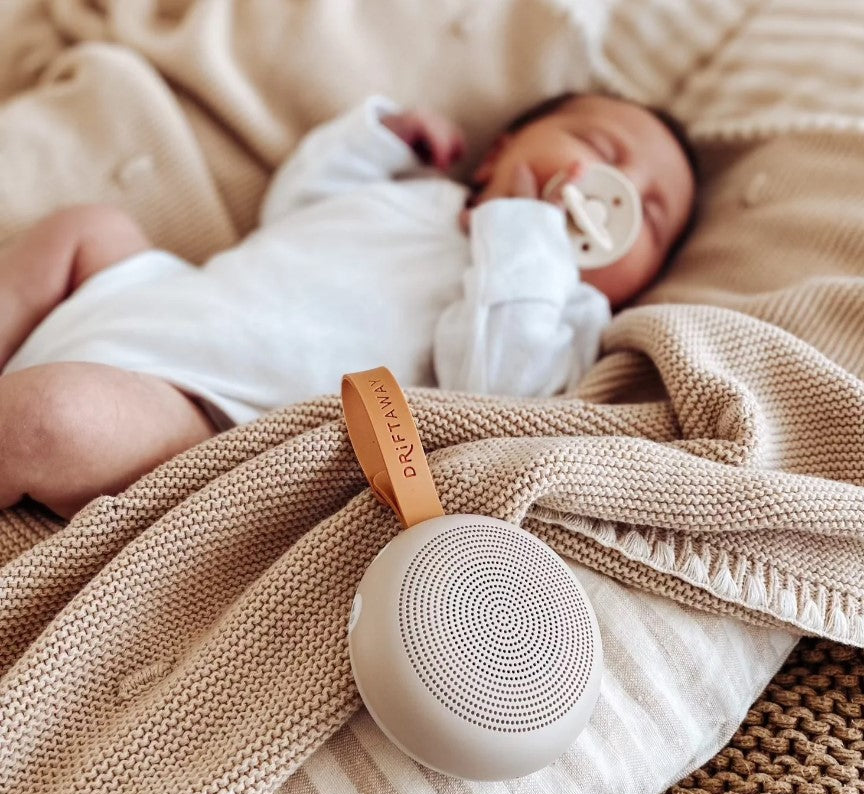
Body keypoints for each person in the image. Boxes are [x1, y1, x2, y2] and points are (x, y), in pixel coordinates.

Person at [0, 91, 696, 518]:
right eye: (599, 149)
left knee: (49, 419)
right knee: (88, 227)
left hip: (203, 408)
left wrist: (525, 236)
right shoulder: (417, 193)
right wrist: (379, 136)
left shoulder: (566, 318)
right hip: (160, 298)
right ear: (497, 155)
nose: (614, 191)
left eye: (651, 215)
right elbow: (297, 205)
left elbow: (492, 387)